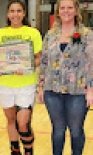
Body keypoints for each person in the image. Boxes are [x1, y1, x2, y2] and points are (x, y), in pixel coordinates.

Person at [38, 0, 93, 155]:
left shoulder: (87, 34)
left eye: (70, 7)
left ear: (76, 11)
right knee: (58, 130)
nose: (66, 11)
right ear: (58, 11)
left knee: (75, 130)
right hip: (52, 90)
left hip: (78, 91)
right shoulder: (50, 35)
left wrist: (91, 90)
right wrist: (41, 86)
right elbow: (44, 62)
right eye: (62, 8)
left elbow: (92, 63)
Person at [0, 0, 42, 155]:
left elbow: (39, 58)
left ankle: (29, 150)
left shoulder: (33, 33)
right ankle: (15, 150)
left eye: (19, 11)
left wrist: (28, 67)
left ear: (24, 13)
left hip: (26, 84)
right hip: (5, 84)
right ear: (7, 14)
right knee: (11, 121)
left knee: (23, 124)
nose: (15, 14)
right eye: (12, 11)